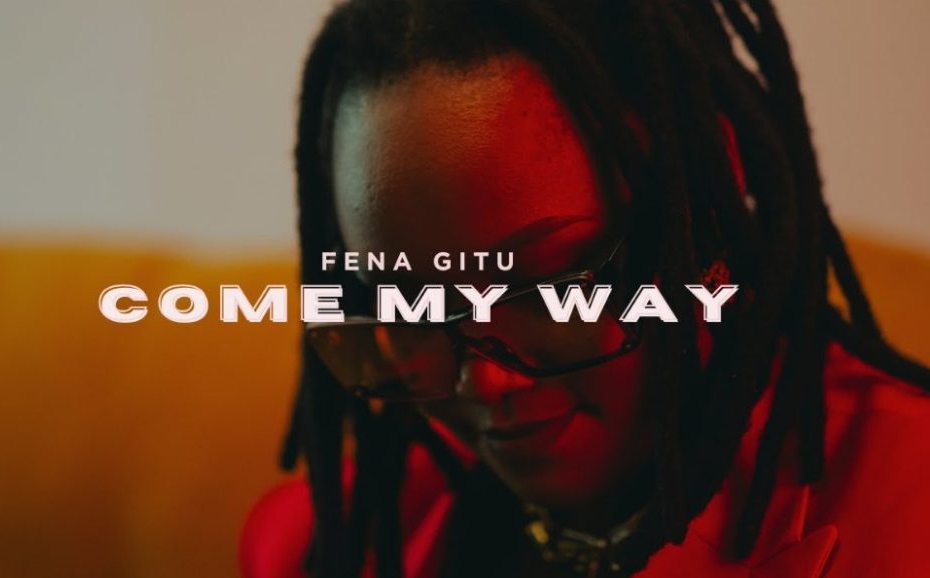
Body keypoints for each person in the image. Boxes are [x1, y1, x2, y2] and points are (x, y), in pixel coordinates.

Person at [241, 1, 930, 577]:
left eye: (546, 287)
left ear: (700, 194)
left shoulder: (907, 512)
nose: (485, 382)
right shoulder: (323, 545)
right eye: (412, 304)